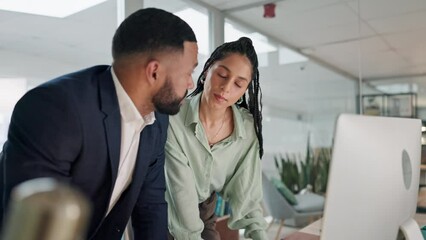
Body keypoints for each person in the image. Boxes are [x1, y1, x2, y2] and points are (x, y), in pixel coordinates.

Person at [0, 8, 198, 240]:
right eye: (188, 72)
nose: (191, 84)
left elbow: (150, 206)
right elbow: (40, 224)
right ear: (154, 71)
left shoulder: (157, 119)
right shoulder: (57, 108)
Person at [165, 37, 268, 240]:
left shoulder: (246, 129)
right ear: (206, 72)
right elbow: (180, 191)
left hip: (203, 210)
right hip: (164, 207)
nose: (226, 87)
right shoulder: (173, 118)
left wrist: (260, 236)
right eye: (222, 75)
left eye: (238, 84)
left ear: (244, 92)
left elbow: (246, 197)